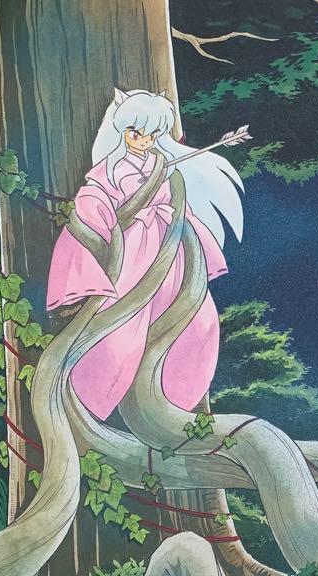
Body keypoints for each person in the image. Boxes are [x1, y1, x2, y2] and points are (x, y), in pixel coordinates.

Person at [46, 87, 245, 420]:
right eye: (136, 132)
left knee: (197, 322)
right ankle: (92, 403)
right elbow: (94, 203)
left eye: (152, 134)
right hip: (132, 256)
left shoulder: (164, 166)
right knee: (121, 331)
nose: (143, 140)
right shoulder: (109, 170)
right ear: (122, 130)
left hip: (169, 253)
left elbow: (179, 208)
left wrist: (193, 241)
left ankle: (179, 401)